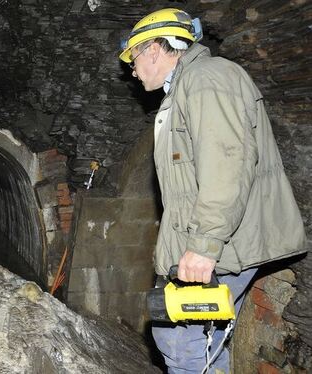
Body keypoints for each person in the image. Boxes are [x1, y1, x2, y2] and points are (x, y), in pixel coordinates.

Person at [119, 8, 306, 373]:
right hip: (220, 240)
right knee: (196, 336)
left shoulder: (207, 79)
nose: (133, 69)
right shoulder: (189, 87)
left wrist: (204, 245)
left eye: (134, 58)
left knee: (182, 341)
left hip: (225, 242)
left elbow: (227, 162)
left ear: (154, 49)